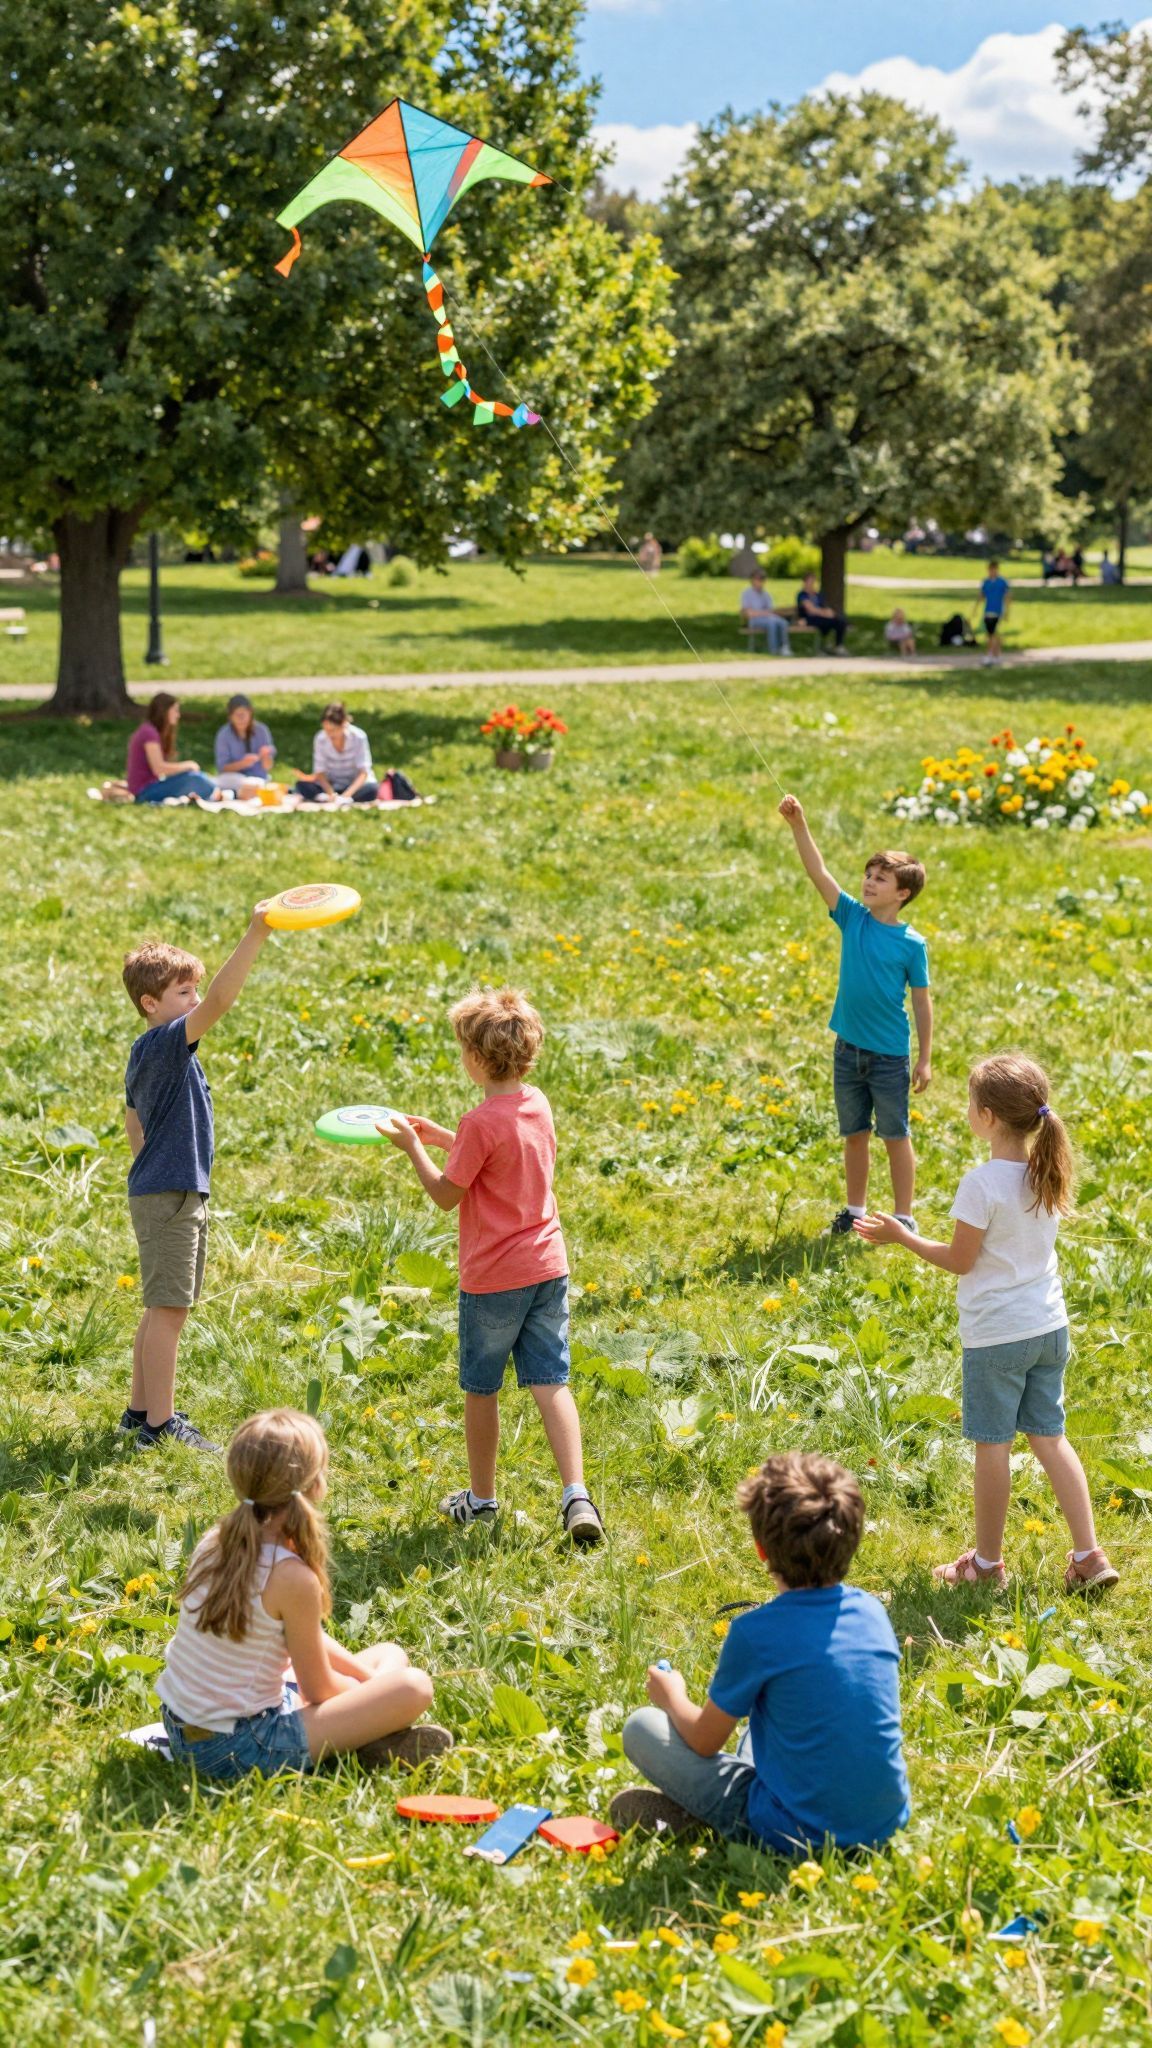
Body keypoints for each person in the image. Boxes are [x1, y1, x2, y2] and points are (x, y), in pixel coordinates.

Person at [854, 1054, 1119, 1594]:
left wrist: (902, 1236)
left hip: (997, 1336)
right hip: (1049, 1327)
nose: (968, 1110)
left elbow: (960, 1260)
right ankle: (1090, 1556)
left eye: (972, 1103)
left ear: (989, 1116)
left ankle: (987, 1567)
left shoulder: (982, 1184)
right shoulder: (1045, 1170)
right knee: (1051, 1438)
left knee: (993, 1447)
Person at [383, 986, 604, 1547]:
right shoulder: (536, 1103)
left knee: (481, 1389)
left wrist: (415, 1148)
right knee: (551, 1381)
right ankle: (576, 1493)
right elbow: (505, 1157)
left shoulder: (480, 1122)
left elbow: (446, 1193)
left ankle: (481, 1502)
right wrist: (443, 1136)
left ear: (478, 1060)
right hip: (548, 1267)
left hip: (494, 1280)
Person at [610, 1453, 910, 1853]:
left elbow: (704, 1742)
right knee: (768, 1720)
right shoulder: (873, 1612)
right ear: (853, 1540)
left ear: (761, 1550)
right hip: (881, 1823)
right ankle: (722, 1812)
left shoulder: (756, 1633)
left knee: (642, 1728)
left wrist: (672, 1695)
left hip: (797, 1834)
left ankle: (721, 1823)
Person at [156, 1409, 450, 1779]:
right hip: (235, 1746)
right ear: (314, 1485)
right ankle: (368, 1736)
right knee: (412, 1687)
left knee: (389, 1655)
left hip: (183, 1726)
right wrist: (367, 1696)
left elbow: (304, 1642)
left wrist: (368, 1684)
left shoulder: (220, 1538)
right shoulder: (290, 1576)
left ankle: (366, 1734)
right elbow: (319, 1689)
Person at [121, 909, 271, 1450]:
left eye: (193, 990)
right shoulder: (164, 1044)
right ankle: (160, 1426)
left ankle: (140, 1411)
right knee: (170, 1311)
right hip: (171, 1192)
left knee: (159, 1306)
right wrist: (257, 932)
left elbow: (132, 1115)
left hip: (164, 1188)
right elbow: (222, 1003)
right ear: (151, 1004)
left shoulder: (148, 1053)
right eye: (184, 992)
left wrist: (150, 1163)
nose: (194, 1000)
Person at [778, 795, 931, 1237]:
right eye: (868, 875)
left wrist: (924, 1059)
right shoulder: (852, 918)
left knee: (895, 1135)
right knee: (855, 1134)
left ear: (903, 894)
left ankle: (904, 1216)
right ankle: (854, 1211)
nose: (868, 882)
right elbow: (818, 871)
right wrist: (798, 823)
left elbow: (922, 1002)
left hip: (888, 1057)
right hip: (848, 1049)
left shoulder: (911, 944)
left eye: (880, 879)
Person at [126, 692, 219, 804]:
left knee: (194, 777)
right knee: (194, 778)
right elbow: (158, 768)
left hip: (151, 786)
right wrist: (187, 765)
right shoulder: (149, 733)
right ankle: (219, 793)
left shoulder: (152, 731)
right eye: (175, 710)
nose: (178, 715)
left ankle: (217, 791)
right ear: (164, 711)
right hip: (144, 792)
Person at [295, 702, 378, 804]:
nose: (329, 734)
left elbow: (363, 772)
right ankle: (328, 798)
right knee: (302, 785)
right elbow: (320, 772)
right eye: (326, 730)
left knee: (372, 789)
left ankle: (343, 799)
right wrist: (331, 793)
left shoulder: (359, 737)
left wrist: (346, 795)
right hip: (332, 785)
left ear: (343, 724)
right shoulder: (320, 739)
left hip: (355, 786)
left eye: (333, 730)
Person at [214, 695, 276, 795]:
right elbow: (222, 768)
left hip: (258, 778)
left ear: (250, 713)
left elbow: (267, 767)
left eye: (243, 714)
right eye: (237, 715)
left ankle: (238, 793)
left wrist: (265, 756)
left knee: (256, 783)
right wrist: (243, 763)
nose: (241, 719)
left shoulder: (262, 731)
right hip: (234, 778)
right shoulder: (224, 734)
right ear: (230, 716)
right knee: (221, 781)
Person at [739, 569, 792, 655]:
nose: (760, 582)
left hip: (767, 618)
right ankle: (773, 650)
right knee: (772, 623)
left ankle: (784, 647)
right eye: (758, 579)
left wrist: (764, 613)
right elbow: (748, 613)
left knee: (783, 622)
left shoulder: (766, 595)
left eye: (762, 579)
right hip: (754, 620)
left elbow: (771, 610)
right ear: (752, 580)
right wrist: (764, 613)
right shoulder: (746, 594)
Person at [796, 572, 848, 652]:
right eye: (810, 581)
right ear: (805, 582)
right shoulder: (802, 595)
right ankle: (827, 645)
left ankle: (838, 645)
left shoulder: (817, 595)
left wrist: (829, 613)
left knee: (840, 621)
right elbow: (811, 610)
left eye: (813, 582)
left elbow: (824, 607)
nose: (812, 584)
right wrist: (825, 614)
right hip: (808, 619)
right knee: (833, 621)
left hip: (820, 617)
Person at [973, 558, 1010, 666]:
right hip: (987, 611)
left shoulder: (1002, 582)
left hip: (997, 611)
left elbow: (1008, 597)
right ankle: (996, 655)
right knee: (992, 634)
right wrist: (975, 609)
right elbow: (981, 596)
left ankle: (990, 655)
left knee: (992, 634)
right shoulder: (986, 582)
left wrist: (1007, 612)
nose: (992, 572)